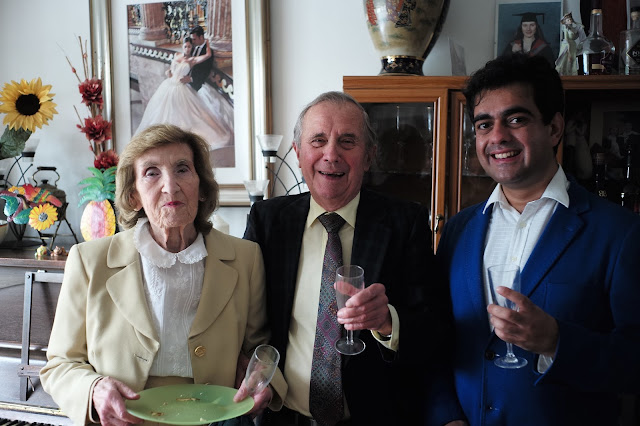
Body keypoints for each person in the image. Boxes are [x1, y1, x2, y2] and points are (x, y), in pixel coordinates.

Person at [436, 53, 640, 425]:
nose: (497, 136)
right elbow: (435, 338)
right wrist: (445, 416)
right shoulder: (457, 229)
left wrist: (557, 341)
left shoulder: (620, 233)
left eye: (516, 119)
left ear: (554, 128)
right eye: (484, 124)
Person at [40, 124, 286, 425]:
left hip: (216, 420)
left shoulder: (245, 258)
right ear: (134, 195)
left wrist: (261, 378)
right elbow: (60, 364)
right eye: (152, 173)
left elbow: (259, 349)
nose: (171, 186)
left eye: (182, 169)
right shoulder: (89, 261)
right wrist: (94, 389)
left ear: (201, 186)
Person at [244, 91, 464, 426]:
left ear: (369, 156)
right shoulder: (268, 221)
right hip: (283, 418)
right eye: (318, 140)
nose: (331, 154)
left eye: (347, 141)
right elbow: (247, 321)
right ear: (298, 153)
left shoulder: (405, 223)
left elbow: (435, 329)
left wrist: (387, 321)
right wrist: (256, 376)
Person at [135, 37, 232, 155]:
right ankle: (164, 137)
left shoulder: (192, 60)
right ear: (182, 46)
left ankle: (178, 140)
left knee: (185, 115)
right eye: (185, 46)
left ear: (191, 47)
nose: (187, 49)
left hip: (181, 88)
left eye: (189, 47)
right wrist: (169, 72)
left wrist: (206, 42)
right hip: (168, 85)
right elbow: (171, 70)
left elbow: (208, 55)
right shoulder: (177, 55)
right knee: (163, 111)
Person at [555, 12, 586, 76]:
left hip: (573, 45)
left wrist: (575, 22)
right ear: (565, 22)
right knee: (566, 59)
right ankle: (564, 73)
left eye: (570, 19)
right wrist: (569, 51)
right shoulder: (565, 28)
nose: (570, 20)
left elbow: (581, 26)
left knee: (573, 59)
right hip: (567, 45)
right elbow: (566, 39)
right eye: (568, 20)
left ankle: (572, 73)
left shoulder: (573, 28)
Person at [186, 25, 214, 92]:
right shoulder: (192, 47)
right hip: (186, 80)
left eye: (194, 39)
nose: (192, 41)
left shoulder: (208, 51)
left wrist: (191, 79)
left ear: (201, 37)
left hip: (196, 84)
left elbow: (205, 71)